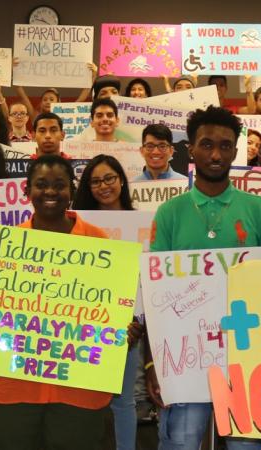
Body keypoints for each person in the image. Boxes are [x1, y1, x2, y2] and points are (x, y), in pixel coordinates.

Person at [0, 154, 113, 450]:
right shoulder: (2, 247)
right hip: (10, 392)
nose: (50, 192)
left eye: (59, 185)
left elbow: (112, 313)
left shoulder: (100, 243)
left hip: (78, 392)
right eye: (41, 184)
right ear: (27, 191)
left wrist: (125, 332)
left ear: (72, 190)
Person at [147, 106, 261, 450]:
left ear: (237, 151)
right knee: (181, 441)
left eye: (225, 145)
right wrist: (153, 362)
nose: (216, 154)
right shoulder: (169, 213)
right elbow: (155, 292)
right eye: (206, 145)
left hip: (246, 360)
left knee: (245, 447)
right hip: (184, 362)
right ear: (190, 150)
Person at [71, 154, 144, 450]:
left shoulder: (143, 222)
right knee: (84, 399)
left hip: (127, 327)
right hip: (85, 326)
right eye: (96, 181)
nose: (104, 186)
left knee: (124, 401)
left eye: (109, 178)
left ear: (121, 181)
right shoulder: (77, 226)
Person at [13, 62, 97, 123]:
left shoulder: (66, 114)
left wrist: (93, 76)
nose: (48, 102)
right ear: (41, 103)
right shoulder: (35, 116)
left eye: (51, 99)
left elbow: (81, 99)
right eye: (45, 99)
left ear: (58, 102)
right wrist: (14, 72)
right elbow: (22, 95)